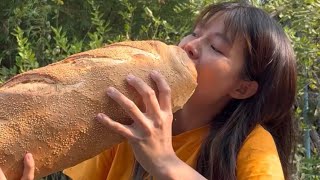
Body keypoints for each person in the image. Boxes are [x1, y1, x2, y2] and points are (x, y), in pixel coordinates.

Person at [0, 1, 297, 180]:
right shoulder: (127, 122)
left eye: (216, 47)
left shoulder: (253, 145)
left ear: (242, 88)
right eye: (194, 32)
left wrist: (165, 162)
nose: (190, 46)